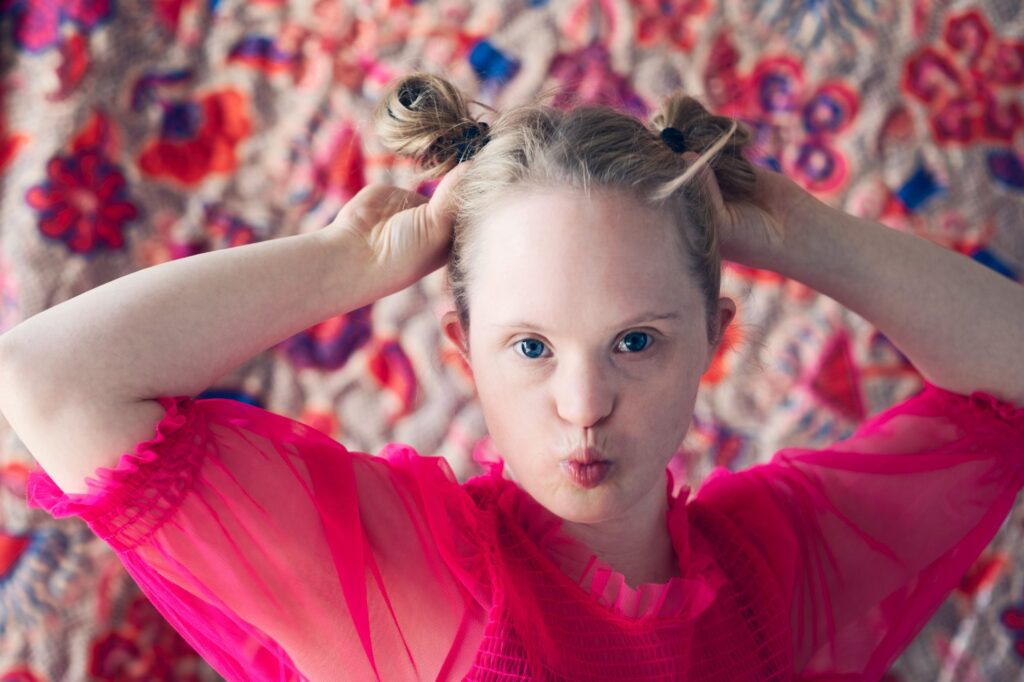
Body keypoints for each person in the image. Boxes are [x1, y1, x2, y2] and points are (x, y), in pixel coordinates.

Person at [2, 70, 1022, 681]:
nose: (583, 408)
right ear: (461, 352)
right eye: (530, 348)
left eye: (637, 341)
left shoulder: (776, 569)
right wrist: (348, 265)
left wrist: (805, 237)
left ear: (713, 336)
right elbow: (49, 377)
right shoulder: (418, 574)